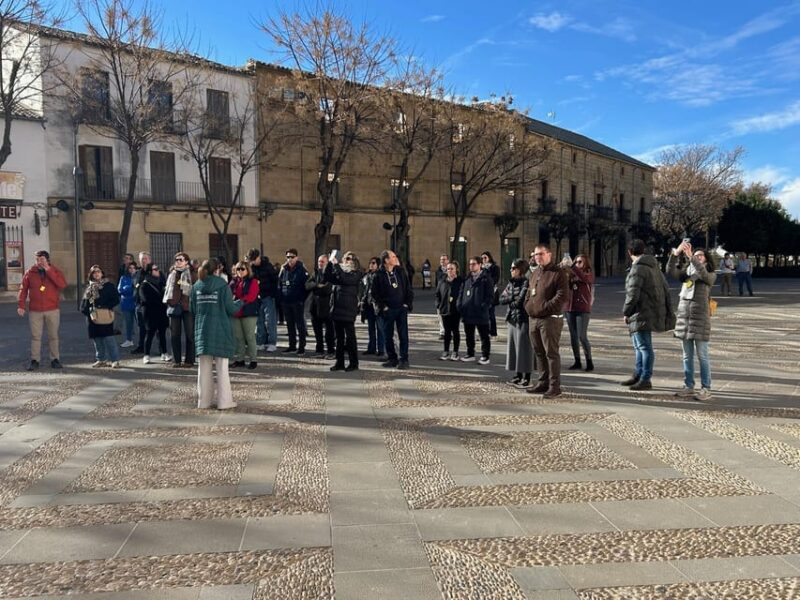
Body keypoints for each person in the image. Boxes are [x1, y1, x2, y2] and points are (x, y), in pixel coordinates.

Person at [621, 239, 674, 391]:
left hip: (641, 311)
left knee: (644, 347)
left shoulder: (638, 268)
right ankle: (638, 374)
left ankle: (645, 378)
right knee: (640, 346)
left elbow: (633, 294)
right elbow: (665, 288)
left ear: (629, 252)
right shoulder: (654, 266)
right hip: (650, 310)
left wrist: (626, 311)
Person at [191, 258, 242, 410]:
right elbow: (231, 309)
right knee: (222, 367)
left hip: (202, 330)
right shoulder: (222, 285)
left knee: (203, 367)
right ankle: (224, 402)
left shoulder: (196, 286)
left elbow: (193, 309)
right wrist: (240, 303)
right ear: (217, 270)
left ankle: (204, 402)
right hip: (220, 328)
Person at [668, 241, 716, 401]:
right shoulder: (687, 274)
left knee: (702, 355)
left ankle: (706, 388)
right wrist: (676, 255)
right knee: (686, 356)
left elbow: (704, 275)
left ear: (706, 259)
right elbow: (671, 272)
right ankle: (688, 386)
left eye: (700, 255)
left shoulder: (709, 274)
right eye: (696, 255)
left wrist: (691, 258)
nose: (697, 257)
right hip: (684, 318)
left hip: (700, 319)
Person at [524, 244, 569, 397]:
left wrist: (546, 307)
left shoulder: (558, 273)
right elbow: (529, 292)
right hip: (534, 318)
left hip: (550, 319)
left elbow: (562, 295)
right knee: (539, 353)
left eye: (541, 254)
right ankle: (542, 382)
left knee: (551, 353)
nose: (538, 257)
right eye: (536, 254)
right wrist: (527, 305)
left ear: (549, 254)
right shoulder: (535, 272)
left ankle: (554, 386)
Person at [17, 250, 67, 370]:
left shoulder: (54, 271)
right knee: (35, 336)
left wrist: (48, 270)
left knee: (53, 336)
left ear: (47, 260)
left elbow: (62, 285)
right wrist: (21, 305)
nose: (39, 262)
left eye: (42, 259)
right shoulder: (30, 272)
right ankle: (35, 360)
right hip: (35, 310)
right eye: (37, 259)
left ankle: (55, 359)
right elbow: (23, 290)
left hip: (52, 309)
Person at [371, 249, 413, 369]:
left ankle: (404, 359)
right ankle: (392, 358)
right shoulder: (378, 275)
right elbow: (375, 294)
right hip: (387, 310)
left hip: (401, 309)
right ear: (386, 260)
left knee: (403, 335)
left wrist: (407, 304)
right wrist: (383, 307)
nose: (395, 258)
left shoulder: (400, 272)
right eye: (393, 257)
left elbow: (408, 289)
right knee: (388, 335)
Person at [325, 251, 362, 372]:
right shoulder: (339, 271)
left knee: (350, 338)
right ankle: (339, 362)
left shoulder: (356, 273)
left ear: (354, 261)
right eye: (345, 258)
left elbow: (345, 279)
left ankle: (353, 363)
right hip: (337, 309)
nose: (346, 260)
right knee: (339, 339)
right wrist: (330, 263)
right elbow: (328, 277)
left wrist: (336, 266)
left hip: (348, 310)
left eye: (349, 258)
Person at [500, 258, 533, 386]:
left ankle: (527, 376)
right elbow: (502, 299)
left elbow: (521, 301)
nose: (511, 270)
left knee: (524, 348)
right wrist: (512, 298)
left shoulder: (526, 282)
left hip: (523, 318)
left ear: (520, 270)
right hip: (512, 318)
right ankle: (518, 374)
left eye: (513, 268)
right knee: (514, 348)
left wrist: (512, 299)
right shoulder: (511, 283)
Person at [80, 265, 121, 368]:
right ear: (91, 275)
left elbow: (116, 299)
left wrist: (105, 307)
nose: (97, 274)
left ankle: (115, 360)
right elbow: (85, 302)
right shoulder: (89, 287)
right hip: (93, 316)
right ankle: (101, 359)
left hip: (105, 315)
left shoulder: (109, 286)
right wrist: (86, 311)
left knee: (109, 338)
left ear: (102, 273)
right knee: (97, 340)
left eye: (98, 272)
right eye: (94, 272)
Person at [457, 256, 494, 364]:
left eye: (473, 264)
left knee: (483, 335)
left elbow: (490, 296)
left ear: (479, 265)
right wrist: (460, 305)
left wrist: (484, 306)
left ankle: (485, 356)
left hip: (481, 313)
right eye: (470, 264)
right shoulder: (467, 278)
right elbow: (461, 292)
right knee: (469, 335)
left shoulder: (486, 278)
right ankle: (470, 354)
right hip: (468, 312)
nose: (471, 266)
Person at [164, 252, 196, 368]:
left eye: (180, 259)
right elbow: (168, 289)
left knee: (190, 334)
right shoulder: (172, 273)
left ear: (186, 261)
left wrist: (180, 279)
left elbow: (192, 286)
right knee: (174, 335)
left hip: (188, 307)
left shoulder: (192, 273)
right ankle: (176, 360)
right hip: (174, 306)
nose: (178, 261)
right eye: (176, 259)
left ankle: (189, 360)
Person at [565, 253, 595, 372]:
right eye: (576, 262)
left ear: (586, 263)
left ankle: (589, 361)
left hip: (582, 309)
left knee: (582, 336)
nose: (577, 264)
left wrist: (572, 267)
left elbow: (584, 278)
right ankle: (577, 360)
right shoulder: (572, 274)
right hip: (570, 308)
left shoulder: (588, 274)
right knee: (573, 337)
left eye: (580, 262)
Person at [230, 260, 260, 369]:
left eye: (242, 269)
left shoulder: (253, 282)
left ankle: (253, 360)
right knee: (238, 338)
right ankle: (240, 359)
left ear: (248, 270)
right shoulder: (233, 282)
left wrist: (238, 302)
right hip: (236, 313)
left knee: (249, 337)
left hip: (249, 312)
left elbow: (251, 297)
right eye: (238, 269)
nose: (240, 271)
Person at [138, 263, 170, 364]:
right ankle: (146, 355)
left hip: (161, 312)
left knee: (162, 334)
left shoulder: (161, 283)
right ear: (149, 272)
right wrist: (161, 300)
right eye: (155, 269)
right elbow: (145, 299)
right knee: (150, 334)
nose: (158, 271)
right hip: (150, 313)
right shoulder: (144, 285)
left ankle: (164, 352)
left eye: (158, 269)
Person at [279, 248, 309, 354]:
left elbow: (307, 287)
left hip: (297, 302)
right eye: (288, 257)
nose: (290, 259)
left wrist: (301, 299)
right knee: (290, 325)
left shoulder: (301, 270)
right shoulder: (284, 269)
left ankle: (301, 347)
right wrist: (281, 298)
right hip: (286, 301)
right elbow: (280, 284)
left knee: (300, 325)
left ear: (296, 257)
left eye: (292, 257)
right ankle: (292, 346)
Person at [248, 248, 279, 352]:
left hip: (268, 296)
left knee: (270, 321)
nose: (252, 262)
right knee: (259, 321)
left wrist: (272, 294)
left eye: (253, 259)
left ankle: (272, 342)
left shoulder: (268, 266)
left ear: (258, 257)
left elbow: (275, 280)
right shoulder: (252, 267)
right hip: (257, 297)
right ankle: (260, 342)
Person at [307, 254, 335, 357]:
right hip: (315, 305)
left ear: (327, 262)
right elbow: (307, 285)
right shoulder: (315, 272)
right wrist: (317, 285)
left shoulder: (330, 274)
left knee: (329, 330)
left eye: (322, 262)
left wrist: (316, 288)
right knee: (317, 329)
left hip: (326, 305)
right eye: (319, 261)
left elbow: (327, 289)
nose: (320, 263)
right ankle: (319, 349)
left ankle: (331, 350)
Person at [435, 260, 463, 360]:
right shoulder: (442, 281)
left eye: (452, 269)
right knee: (446, 331)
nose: (450, 271)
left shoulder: (460, 281)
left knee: (455, 331)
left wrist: (460, 305)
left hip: (455, 310)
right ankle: (446, 351)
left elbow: (462, 295)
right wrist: (438, 305)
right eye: (448, 269)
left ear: (456, 270)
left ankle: (455, 352)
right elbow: (437, 294)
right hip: (444, 310)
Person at [359, 257, 385, 357]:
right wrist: (362, 302)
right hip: (369, 305)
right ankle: (371, 348)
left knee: (380, 328)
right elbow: (365, 290)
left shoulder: (380, 275)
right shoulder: (368, 275)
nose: (371, 265)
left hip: (377, 305)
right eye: (370, 263)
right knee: (371, 328)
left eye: (373, 263)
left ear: (378, 265)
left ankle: (381, 349)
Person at [130, 251, 153, 355]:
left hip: (152, 305)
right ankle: (141, 346)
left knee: (154, 328)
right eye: (141, 259)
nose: (143, 261)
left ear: (149, 260)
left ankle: (163, 350)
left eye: (145, 259)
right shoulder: (137, 273)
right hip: (139, 305)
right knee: (141, 327)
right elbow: (134, 286)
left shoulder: (154, 272)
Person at [480, 251, 501, 336]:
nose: (483, 259)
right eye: (482, 258)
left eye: (485, 257)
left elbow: (495, 279)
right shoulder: (481, 268)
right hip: (482, 293)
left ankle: (493, 332)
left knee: (491, 313)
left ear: (489, 258)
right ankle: (485, 331)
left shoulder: (494, 267)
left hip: (492, 292)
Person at [117, 261, 138, 348]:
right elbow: (120, 290)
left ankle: (142, 340)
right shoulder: (123, 278)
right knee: (128, 323)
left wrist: (128, 289)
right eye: (130, 268)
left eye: (133, 268)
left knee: (140, 324)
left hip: (136, 303)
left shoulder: (138, 277)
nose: (132, 270)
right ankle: (129, 340)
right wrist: (130, 287)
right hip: (126, 303)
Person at [435, 254, 449, 339]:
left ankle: (449, 332)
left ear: (447, 260)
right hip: (440, 295)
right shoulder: (438, 271)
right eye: (441, 260)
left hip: (449, 295)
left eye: (444, 259)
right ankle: (442, 331)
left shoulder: (451, 269)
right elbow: (437, 283)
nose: (442, 261)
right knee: (440, 314)